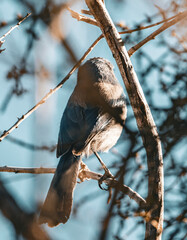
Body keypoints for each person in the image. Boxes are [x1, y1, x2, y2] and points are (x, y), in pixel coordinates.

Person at [39, 57, 127, 227]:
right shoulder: (116, 91)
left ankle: (52, 208)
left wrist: (72, 144)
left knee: (71, 157)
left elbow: (67, 121)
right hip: (96, 134)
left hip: (71, 140)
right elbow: (100, 122)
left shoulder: (78, 93)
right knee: (78, 151)